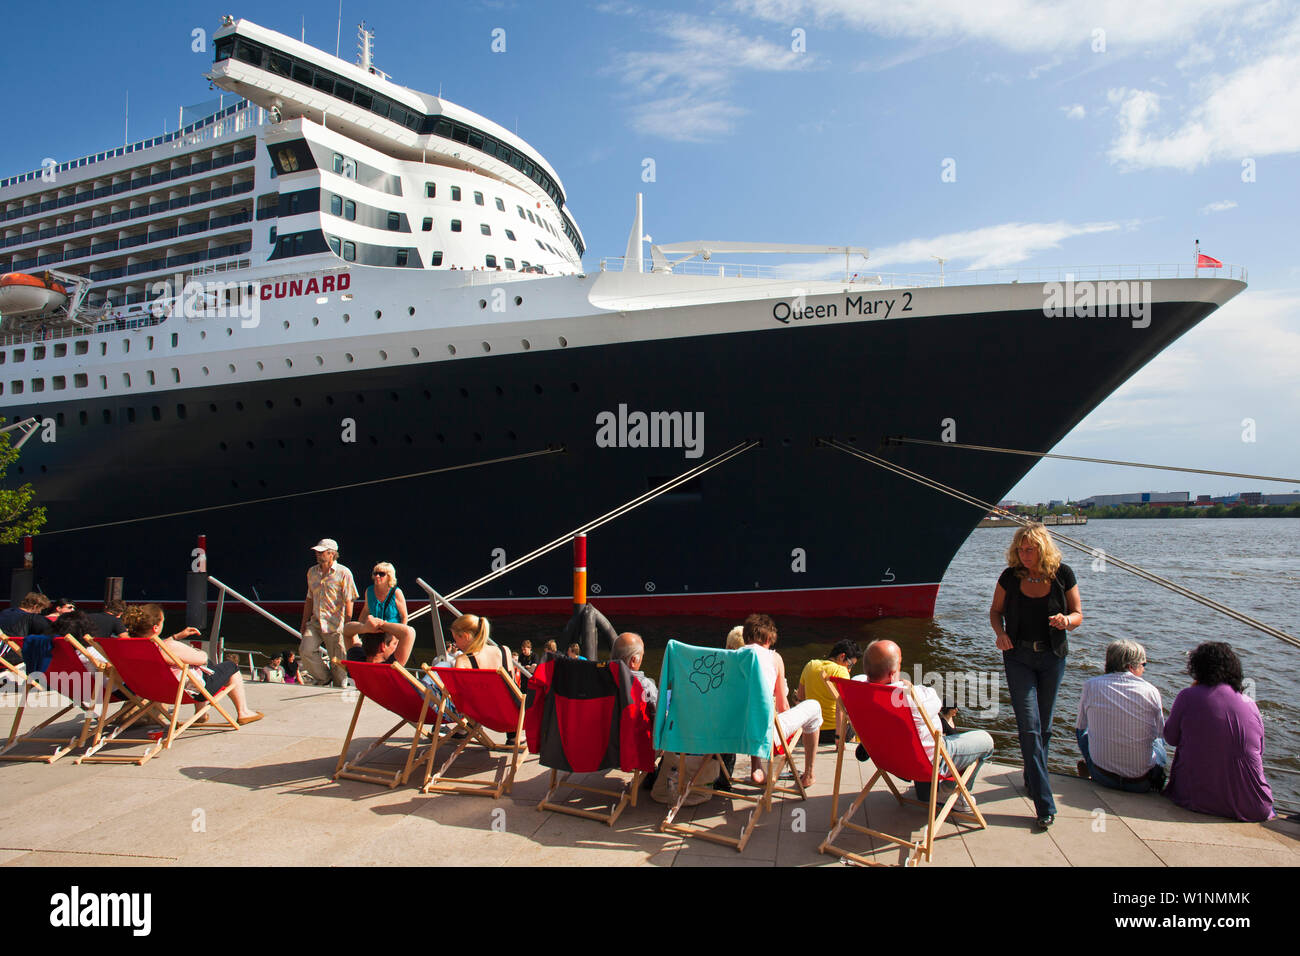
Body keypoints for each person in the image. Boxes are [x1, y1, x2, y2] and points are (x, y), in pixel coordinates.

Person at [989, 522, 1082, 831]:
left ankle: (1031, 777)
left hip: (1053, 657)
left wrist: (1066, 620)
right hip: (1018, 657)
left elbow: (1079, 614)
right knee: (1029, 727)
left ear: (1043, 549)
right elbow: (995, 611)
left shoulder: (1063, 574)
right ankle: (1045, 803)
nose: (1025, 554)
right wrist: (1000, 634)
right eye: (1021, 549)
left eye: (1030, 549)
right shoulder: (1009, 577)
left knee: (1044, 726)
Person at [863, 639, 994, 812]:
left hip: (887, 760)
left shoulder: (857, 691)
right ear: (893, 672)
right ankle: (951, 794)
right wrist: (909, 687)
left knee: (919, 738)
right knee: (986, 741)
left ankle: (927, 791)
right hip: (927, 762)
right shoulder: (916, 696)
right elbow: (936, 701)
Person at [1163, 642, 1273, 822]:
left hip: (1195, 798)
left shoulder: (1187, 696)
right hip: (1255, 805)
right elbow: (1259, 750)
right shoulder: (1250, 704)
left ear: (1197, 668)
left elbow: (1170, 737)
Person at [122, 604, 262, 724]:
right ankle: (243, 712)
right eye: (162, 621)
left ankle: (201, 715)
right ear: (155, 628)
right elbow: (202, 659)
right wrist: (195, 651)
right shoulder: (168, 647)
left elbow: (160, 648)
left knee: (201, 668)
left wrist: (177, 637)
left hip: (151, 691)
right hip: (186, 693)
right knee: (230, 666)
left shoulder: (130, 649)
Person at [1075, 639, 1167, 792]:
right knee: (1159, 739)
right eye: (1143, 665)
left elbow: (1080, 727)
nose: (1144, 670)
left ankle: (1093, 764)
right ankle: (1155, 779)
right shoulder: (1151, 691)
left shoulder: (1091, 685)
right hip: (1139, 783)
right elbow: (1161, 732)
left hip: (1102, 776)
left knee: (1082, 730)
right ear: (1131, 666)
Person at [743, 613, 820, 789]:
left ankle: (757, 767)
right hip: (763, 734)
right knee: (814, 707)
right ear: (769, 639)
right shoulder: (774, 658)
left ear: (746, 638)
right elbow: (783, 706)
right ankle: (808, 775)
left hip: (731, 732)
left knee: (751, 709)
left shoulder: (732, 658)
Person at [299, 538, 359, 687]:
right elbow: (309, 599)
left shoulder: (344, 573)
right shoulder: (312, 572)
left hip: (335, 625)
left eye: (321, 552)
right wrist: (303, 623)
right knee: (305, 650)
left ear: (332, 554)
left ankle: (338, 688)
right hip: (316, 622)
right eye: (317, 552)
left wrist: (348, 626)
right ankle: (324, 678)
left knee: (339, 666)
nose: (317, 555)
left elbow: (349, 600)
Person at [342, 562, 415, 666]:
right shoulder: (369, 591)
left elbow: (404, 616)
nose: (377, 576)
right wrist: (362, 628)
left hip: (391, 635)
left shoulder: (397, 592)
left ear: (389, 576)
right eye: (375, 573)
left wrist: (397, 639)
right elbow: (366, 610)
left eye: (381, 574)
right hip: (373, 633)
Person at [798, 639, 861, 745]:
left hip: (811, 730)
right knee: (853, 726)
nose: (849, 670)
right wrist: (838, 736)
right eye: (850, 665)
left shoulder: (810, 665)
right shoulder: (841, 672)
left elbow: (800, 698)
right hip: (833, 732)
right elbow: (841, 708)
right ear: (842, 656)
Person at [612, 631, 657, 706]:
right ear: (634, 660)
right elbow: (659, 712)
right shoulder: (645, 685)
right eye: (642, 655)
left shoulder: (601, 677)